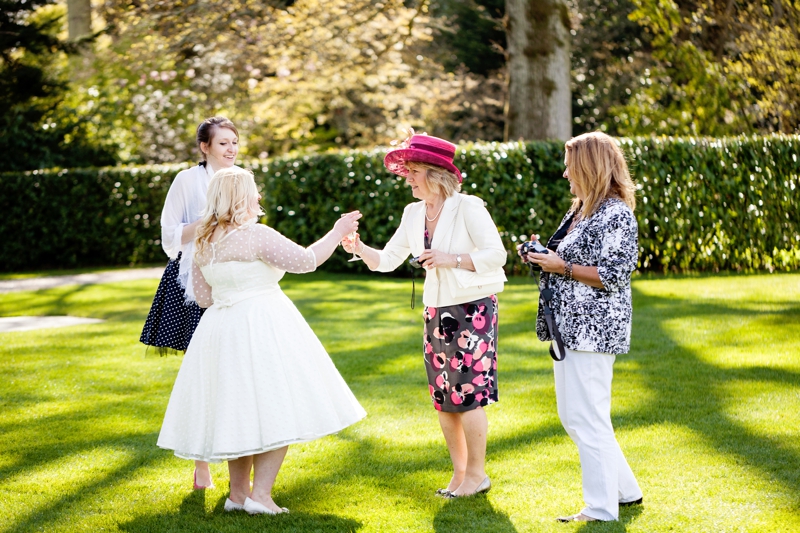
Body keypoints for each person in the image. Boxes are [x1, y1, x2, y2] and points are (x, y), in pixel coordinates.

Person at [157, 167, 366, 515]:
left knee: (237, 410)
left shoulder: (203, 242)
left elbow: (203, 296)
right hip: (262, 323)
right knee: (276, 404)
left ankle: (237, 495)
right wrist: (337, 231)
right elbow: (307, 261)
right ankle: (261, 496)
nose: (258, 197)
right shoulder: (255, 235)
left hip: (220, 330)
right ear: (243, 197)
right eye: (254, 191)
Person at [342, 132, 507, 498]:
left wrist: (452, 259)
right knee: (444, 396)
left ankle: (478, 475)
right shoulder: (413, 213)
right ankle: (460, 474)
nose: (407, 178)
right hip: (435, 312)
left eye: (413, 171)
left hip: (472, 309)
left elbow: (497, 254)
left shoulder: (469, 207)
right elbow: (387, 261)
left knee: (469, 393)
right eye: (406, 171)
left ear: (435, 173)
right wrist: (358, 247)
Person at [520, 131, 643, 522]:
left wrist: (562, 266)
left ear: (590, 167)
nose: (564, 174)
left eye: (570, 166)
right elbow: (564, 259)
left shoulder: (616, 213)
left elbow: (615, 274)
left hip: (594, 331)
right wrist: (543, 255)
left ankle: (600, 509)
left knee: (585, 418)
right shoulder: (581, 211)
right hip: (568, 328)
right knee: (580, 417)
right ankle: (625, 491)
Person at [140, 116, 240, 490]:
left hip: (232, 285)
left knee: (234, 376)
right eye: (222, 143)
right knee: (203, 375)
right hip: (192, 285)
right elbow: (170, 236)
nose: (230, 150)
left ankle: (237, 467)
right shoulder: (186, 181)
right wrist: (211, 220)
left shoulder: (242, 178)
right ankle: (202, 465)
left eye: (234, 142)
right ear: (204, 147)